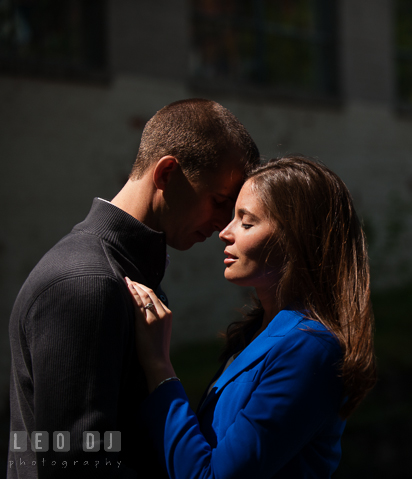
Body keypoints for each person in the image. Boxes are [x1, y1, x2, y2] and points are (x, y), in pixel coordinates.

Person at [7, 99, 259, 479]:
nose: (225, 226)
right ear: (167, 173)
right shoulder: (86, 284)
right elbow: (74, 466)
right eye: (220, 202)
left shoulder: (121, 274)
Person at [126, 156, 377, 478]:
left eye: (246, 222)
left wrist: (159, 366)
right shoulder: (259, 333)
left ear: (295, 238)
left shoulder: (311, 348)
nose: (224, 233)